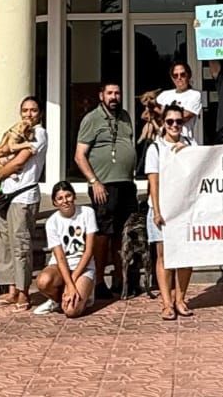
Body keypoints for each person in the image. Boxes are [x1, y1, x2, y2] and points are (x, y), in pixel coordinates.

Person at [73, 81, 137, 295]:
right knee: (103, 234)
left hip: (126, 184)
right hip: (104, 185)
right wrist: (94, 182)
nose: (114, 97)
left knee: (124, 233)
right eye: (109, 93)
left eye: (117, 93)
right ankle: (99, 282)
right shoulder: (92, 119)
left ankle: (122, 281)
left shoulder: (126, 117)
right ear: (101, 96)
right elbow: (79, 155)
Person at [0, 96, 48, 309]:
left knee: (20, 245)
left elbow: (20, 160)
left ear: (39, 113)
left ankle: (24, 292)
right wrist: (1, 153)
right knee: (4, 243)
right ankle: (11, 290)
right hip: (5, 195)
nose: (28, 114)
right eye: (25, 110)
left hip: (23, 196)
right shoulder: (14, 130)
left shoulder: (39, 133)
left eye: (33, 110)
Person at [145, 103, 195, 319]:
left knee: (185, 256)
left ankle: (180, 299)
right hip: (162, 209)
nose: (175, 125)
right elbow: (153, 183)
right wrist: (156, 211)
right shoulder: (155, 148)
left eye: (179, 121)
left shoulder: (191, 144)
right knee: (164, 257)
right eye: (170, 121)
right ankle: (166, 303)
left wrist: (188, 154)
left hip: (185, 209)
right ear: (163, 124)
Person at [33, 182, 97, 317]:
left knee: (71, 311)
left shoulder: (87, 213)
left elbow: (89, 251)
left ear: (74, 197)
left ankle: (85, 293)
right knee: (43, 281)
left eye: (68, 196)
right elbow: (60, 257)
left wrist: (71, 283)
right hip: (60, 266)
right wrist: (70, 285)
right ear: (54, 202)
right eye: (60, 198)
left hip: (83, 267)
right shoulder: (52, 222)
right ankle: (56, 300)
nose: (65, 201)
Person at [156, 61, 205, 144]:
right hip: (162, 142)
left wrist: (162, 113)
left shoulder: (195, 95)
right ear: (172, 78)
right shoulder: (164, 95)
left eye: (182, 74)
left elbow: (184, 116)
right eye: (175, 75)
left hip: (184, 142)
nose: (179, 78)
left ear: (188, 75)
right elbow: (149, 114)